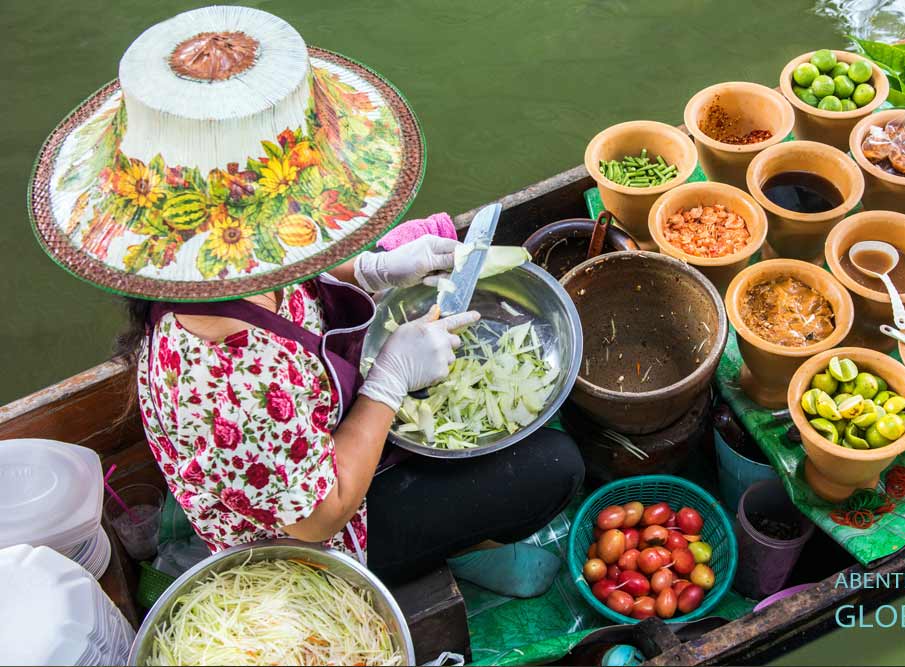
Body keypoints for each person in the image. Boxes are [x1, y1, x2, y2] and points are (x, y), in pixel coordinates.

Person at [29, 6, 583, 595]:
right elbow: (319, 517)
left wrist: (371, 269)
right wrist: (390, 380)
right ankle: (464, 553)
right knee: (553, 468)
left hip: (318, 428)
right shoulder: (230, 379)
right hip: (308, 546)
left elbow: (291, 264)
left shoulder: (218, 273)